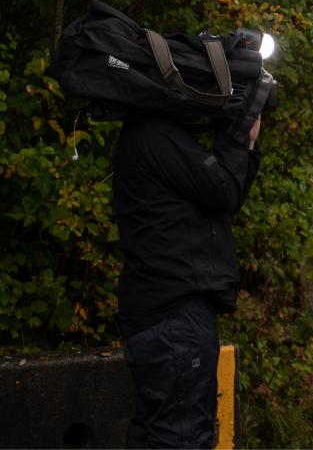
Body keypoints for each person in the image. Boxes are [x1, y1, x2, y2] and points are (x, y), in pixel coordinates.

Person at [113, 113, 261, 448]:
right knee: (182, 437)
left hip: (158, 315)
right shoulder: (156, 136)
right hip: (175, 319)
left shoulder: (147, 136)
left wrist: (245, 144)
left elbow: (224, 191)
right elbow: (223, 190)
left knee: (156, 434)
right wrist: (241, 135)